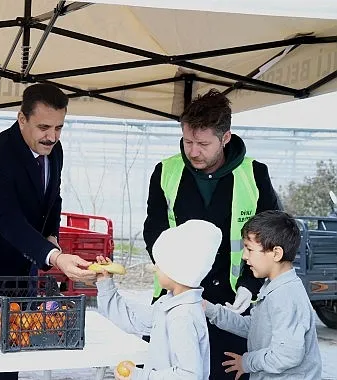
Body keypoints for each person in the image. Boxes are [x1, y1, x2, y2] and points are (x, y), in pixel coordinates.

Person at [0, 83, 97, 380]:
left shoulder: (55, 151)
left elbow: (53, 198)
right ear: (22, 119)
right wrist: (55, 257)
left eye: (59, 127)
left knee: (12, 348)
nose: (52, 136)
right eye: (44, 127)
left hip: (20, 269)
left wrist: (51, 236)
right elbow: (7, 220)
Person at [143, 89, 280, 379]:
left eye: (203, 143)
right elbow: (154, 229)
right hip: (175, 300)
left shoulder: (254, 174)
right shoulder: (165, 171)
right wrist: (170, 272)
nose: (193, 151)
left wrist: (249, 286)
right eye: (188, 141)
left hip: (232, 306)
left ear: (225, 138)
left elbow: (270, 237)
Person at [204, 210, 322, 379]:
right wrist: (210, 310)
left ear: (276, 253)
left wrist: (247, 362)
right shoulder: (273, 287)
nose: (244, 256)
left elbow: (286, 356)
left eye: (249, 249)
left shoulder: (286, 297)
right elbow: (255, 328)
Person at [97, 219, 222, 379]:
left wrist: (141, 376)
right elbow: (133, 319)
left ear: (177, 271)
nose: (155, 268)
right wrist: (105, 283)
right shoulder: (168, 305)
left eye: (160, 264)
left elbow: (189, 375)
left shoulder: (182, 316)